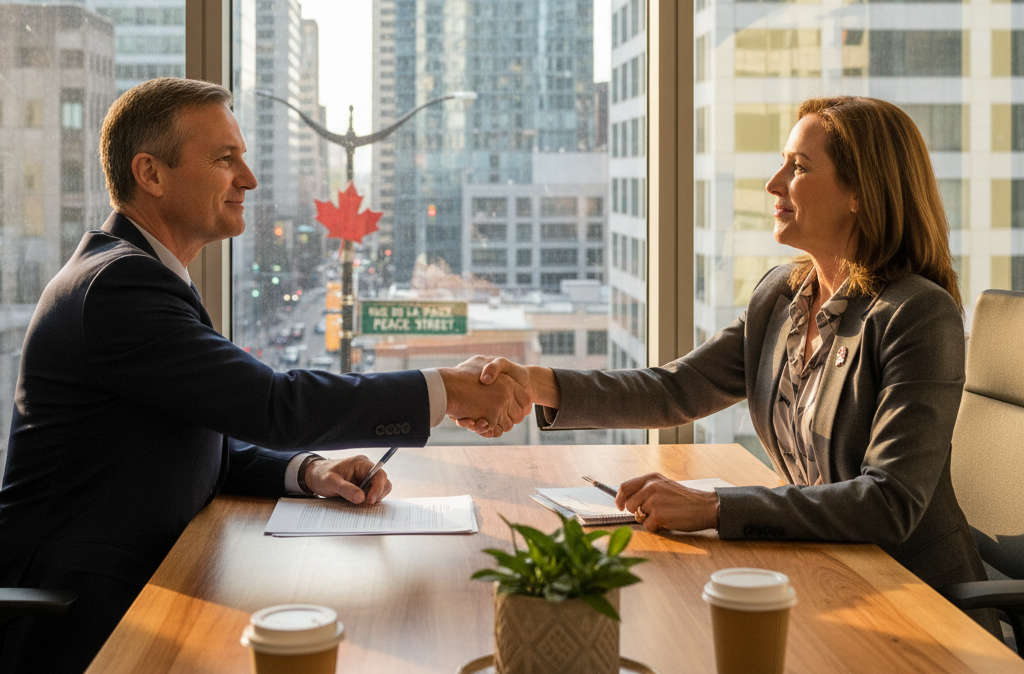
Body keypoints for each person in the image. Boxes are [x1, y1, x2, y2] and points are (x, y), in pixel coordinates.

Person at [0, 77, 530, 674]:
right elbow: (272, 404)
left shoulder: (139, 274)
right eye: (225, 159)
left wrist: (309, 471)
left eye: (244, 157)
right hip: (86, 622)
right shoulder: (117, 287)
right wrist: (445, 389)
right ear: (150, 173)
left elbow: (200, 444)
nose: (248, 179)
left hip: (154, 587)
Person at [472, 96, 994, 601]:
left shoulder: (917, 316)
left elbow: (889, 502)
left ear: (861, 192)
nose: (774, 184)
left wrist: (713, 508)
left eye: (799, 167)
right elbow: (674, 389)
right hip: (825, 571)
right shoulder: (782, 298)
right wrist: (531, 381)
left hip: (918, 595)